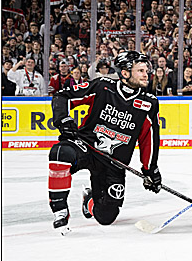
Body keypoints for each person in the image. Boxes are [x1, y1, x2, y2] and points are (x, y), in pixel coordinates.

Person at [47, 51, 162, 233]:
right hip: (86, 147)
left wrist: (150, 170)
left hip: (113, 163)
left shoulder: (148, 103)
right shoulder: (102, 86)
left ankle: (90, 199)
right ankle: (60, 210)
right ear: (125, 73)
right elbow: (62, 96)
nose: (145, 74)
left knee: (106, 216)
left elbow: (150, 139)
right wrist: (62, 119)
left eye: (146, 70)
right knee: (60, 153)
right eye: (140, 70)